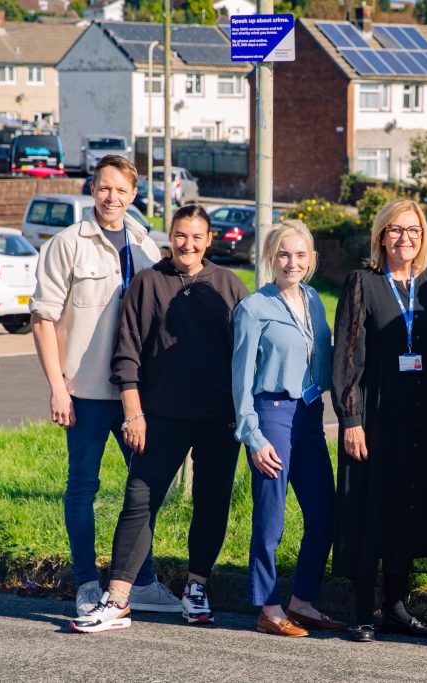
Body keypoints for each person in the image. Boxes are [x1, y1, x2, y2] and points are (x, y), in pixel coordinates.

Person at [69, 205, 248, 633]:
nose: (188, 244)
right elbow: (126, 354)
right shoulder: (148, 284)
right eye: (181, 235)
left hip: (219, 420)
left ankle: (197, 588)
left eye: (197, 237)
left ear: (209, 240)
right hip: (161, 418)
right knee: (139, 502)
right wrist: (133, 414)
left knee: (212, 502)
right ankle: (118, 599)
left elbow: (249, 351)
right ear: (170, 237)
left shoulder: (229, 286)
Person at [30, 155, 180, 617]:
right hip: (87, 393)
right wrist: (58, 387)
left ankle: (144, 582)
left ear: (134, 195)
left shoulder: (147, 245)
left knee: (145, 488)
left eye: (120, 190)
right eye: (103, 188)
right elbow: (42, 319)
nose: (111, 197)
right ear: (92, 190)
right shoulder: (67, 244)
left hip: (135, 395)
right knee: (83, 489)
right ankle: (86, 583)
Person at [331, 199, 427, 643]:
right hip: (376, 415)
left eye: (414, 231)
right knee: (371, 506)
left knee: (411, 504)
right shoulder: (362, 282)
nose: (405, 238)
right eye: (396, 230)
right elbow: (347, 356)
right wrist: (350, 418)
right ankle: (364, 611)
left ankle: (397, 608)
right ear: (381, 236)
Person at [231, 220, 344, 638]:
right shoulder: (253, 308)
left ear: (311, 259)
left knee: (324, 514)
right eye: (283, 254)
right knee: (271, 518)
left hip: (310, 414)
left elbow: (326, 357)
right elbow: (240, 380)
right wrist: (253, 436)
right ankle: (268, 606)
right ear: (269, 258)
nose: (291, 262)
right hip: (272, 414)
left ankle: (303, 601)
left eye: (300, 255)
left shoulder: (314, 300)